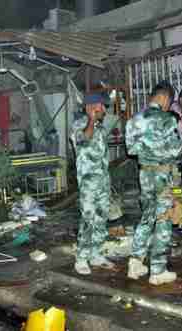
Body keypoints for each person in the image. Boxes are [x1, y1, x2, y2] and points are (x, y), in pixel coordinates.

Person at [126, 82, 182, 285]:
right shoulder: (167, 119)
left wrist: (148, 149)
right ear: (166, 99)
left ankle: (135, 263)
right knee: (163, 219)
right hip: (162, 175)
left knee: (147, 216)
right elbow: (176, 150)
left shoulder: (134, 119)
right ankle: (157, 270)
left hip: (144, 174)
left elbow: (131, 149)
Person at [70, 92, 114, 275]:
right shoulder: (79, 125)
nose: (104, 109)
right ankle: (81, 258)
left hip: (103, 181)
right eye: (102, 106)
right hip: (88, 183)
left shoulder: (101, 128)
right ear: (92, 107)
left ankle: (96, 254)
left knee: (101, 219)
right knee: (88, 220)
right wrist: (90, 119)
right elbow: (84, 139)